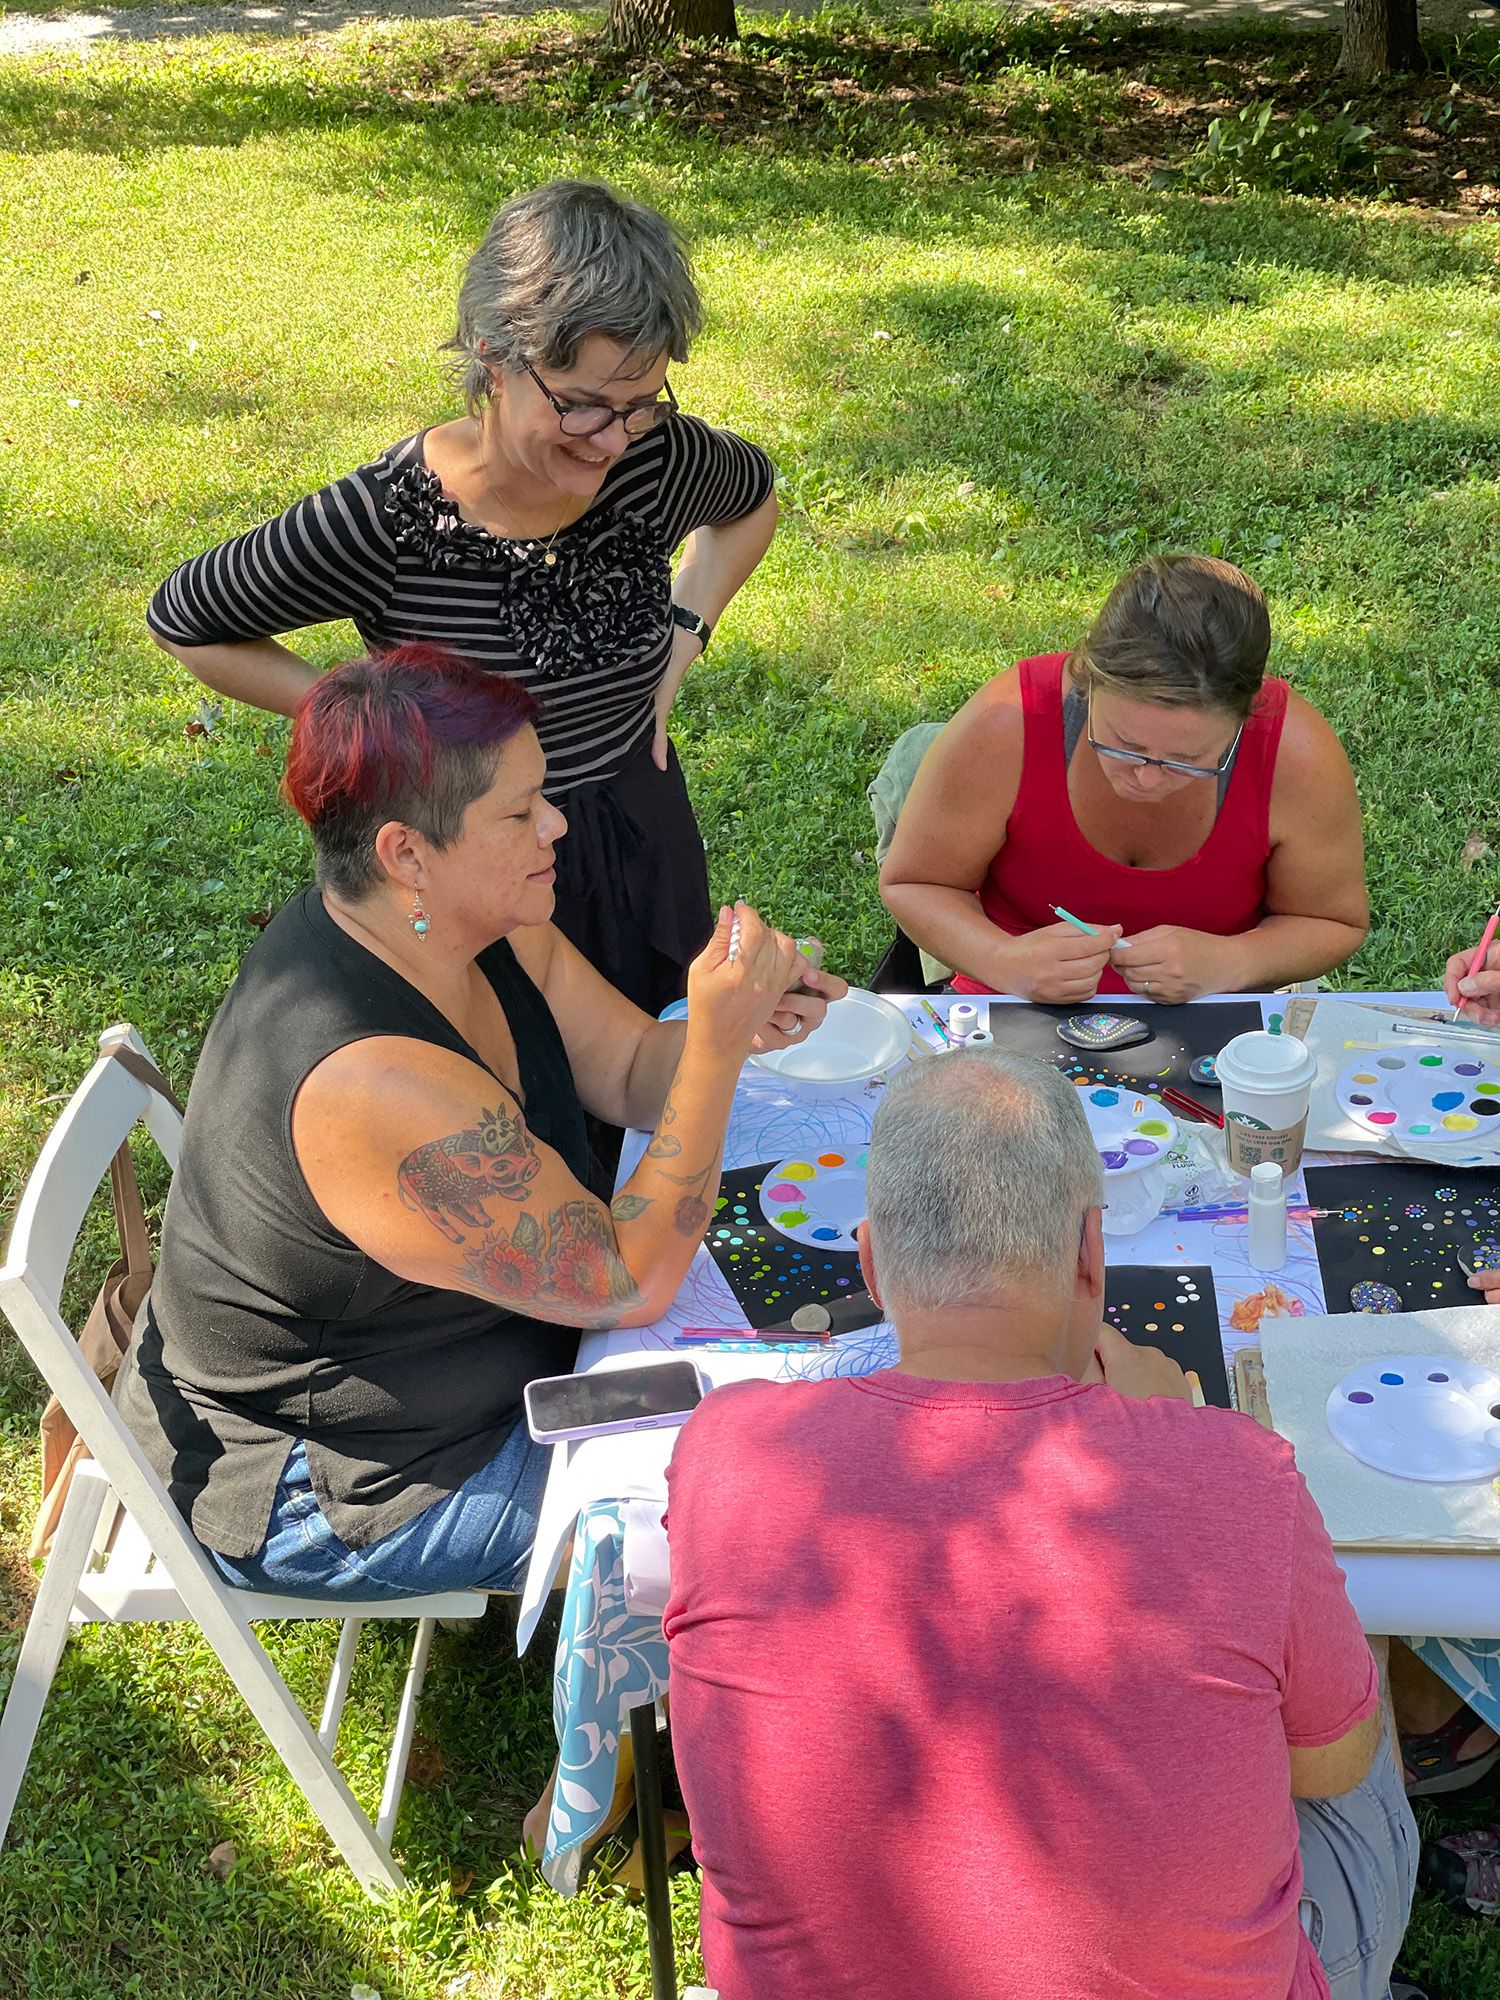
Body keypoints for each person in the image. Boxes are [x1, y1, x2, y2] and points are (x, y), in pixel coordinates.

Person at [664, 1049, 1417, 2000]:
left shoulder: (728, 1449)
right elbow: (1330, 1763)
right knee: (1347, 1689)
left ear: (871, 1260)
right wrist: (1179, 1430)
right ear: (1091, 1255)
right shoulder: (1242, 1471)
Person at [116, 645, 842, 1602]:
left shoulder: (465, 917)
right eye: (520, 810)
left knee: (816, 1394)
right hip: (354, 1479)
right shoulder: (371, 1085)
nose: (557, 823)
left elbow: (630, 1066)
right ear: (406, 854)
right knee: (781, 1507)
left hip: (481, 1365)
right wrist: (710, 1048)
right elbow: (626, 1283)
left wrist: (737, 1023)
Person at [145, 178, 778, 1016]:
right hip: (475, 871)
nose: (611, 442)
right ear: (494, 356)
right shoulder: (387, 520)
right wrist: (378, 726)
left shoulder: (657, 461)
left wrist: (683, 637)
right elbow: (185, 619)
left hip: (636, 832)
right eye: (582, 405)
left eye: (638, 405)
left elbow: (753, 501)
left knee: (656, 1056)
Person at [879, 555, 1369, 1005]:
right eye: (1122, 744)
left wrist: (1232, 961)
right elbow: (917, 883)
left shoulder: (1294, 755)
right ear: (1087, 678)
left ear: (1247, 716)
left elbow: (1331, 921)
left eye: (1189, 759)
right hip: (1015, 997)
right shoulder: (1010, 721)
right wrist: (1003, 961)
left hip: (1214, 1005)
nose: (1147, 780)